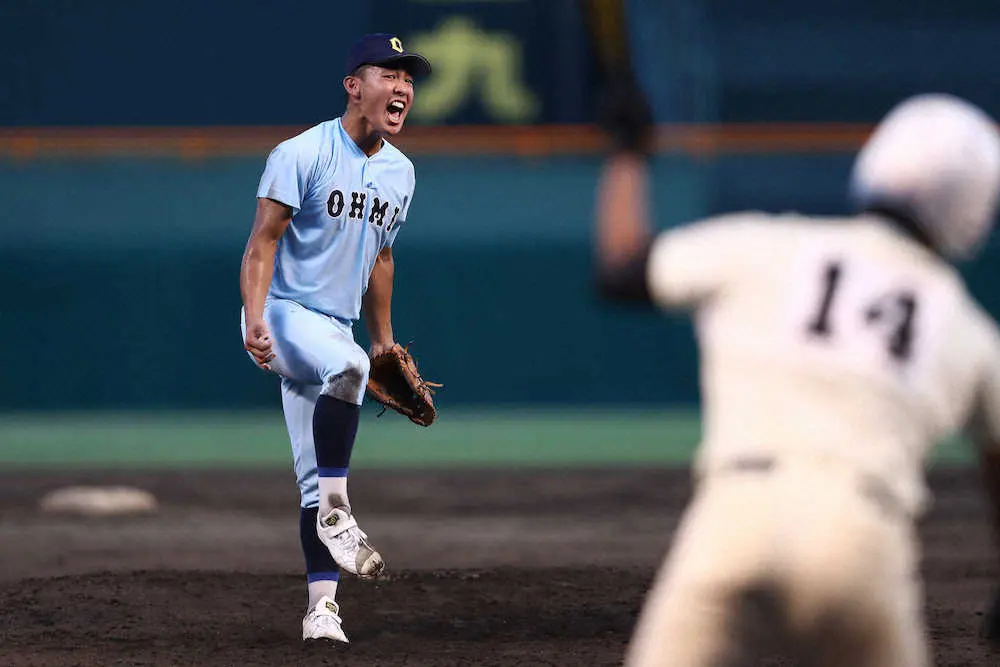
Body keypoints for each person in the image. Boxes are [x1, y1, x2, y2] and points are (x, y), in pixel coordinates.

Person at [593, 88, 1000, 666]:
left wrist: (628, 154)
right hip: (863, 540)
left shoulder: (768, 245)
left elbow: (620, 269)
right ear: (975, 211)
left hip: (736, 520)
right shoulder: (967, 328)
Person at [239, 33, 431, 644]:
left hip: (336, 330)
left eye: (409, 78)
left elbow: (382, 257)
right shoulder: (300, 152)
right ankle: (341, 511)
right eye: (389, 73)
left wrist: (384, 340)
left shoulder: (401, 173)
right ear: (353, 86)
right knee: (345, 369)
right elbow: (262, 242)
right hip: (286, 312)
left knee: (311, 475)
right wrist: (254, 317)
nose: (403, 87)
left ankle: (322, 609)